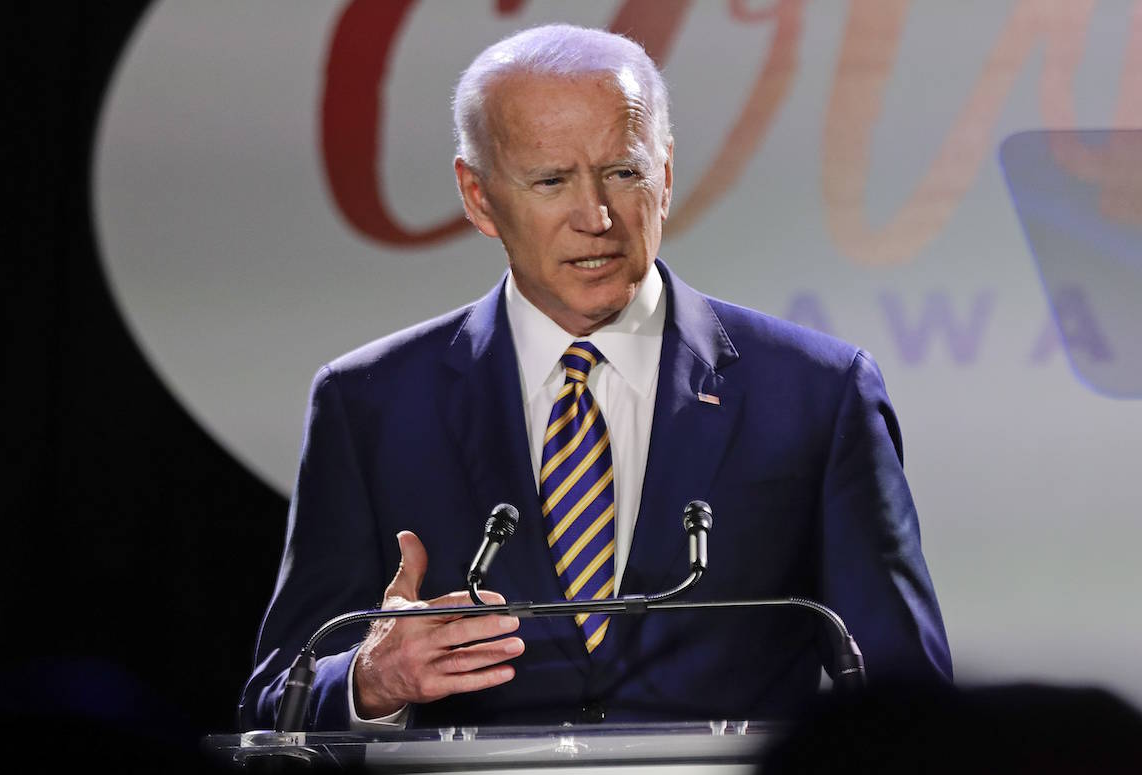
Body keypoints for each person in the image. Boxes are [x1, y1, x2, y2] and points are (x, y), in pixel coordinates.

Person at [239, 24, 951, 732]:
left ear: (665, 174)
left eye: (623, 172)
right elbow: (276, 698)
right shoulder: (371, 404)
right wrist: (372, 679)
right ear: (478, 197)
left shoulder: (816, 395)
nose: (597, 217)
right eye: (551, 181)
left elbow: (906, 696)